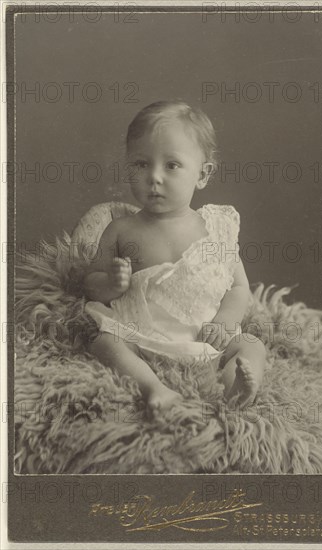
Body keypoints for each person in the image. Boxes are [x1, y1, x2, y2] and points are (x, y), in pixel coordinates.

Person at [83, 100, 266, 418]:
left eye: (172, 165)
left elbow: (238, 287)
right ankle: (154, 387)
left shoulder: (215, 229)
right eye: (141, 164)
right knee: (104, 342)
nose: (154, 177)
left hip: (204, 338)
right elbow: (91, 283)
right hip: (142, 337)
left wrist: (225, 321)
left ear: (203, 174)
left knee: (252, 344)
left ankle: (232, 388)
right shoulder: (121, 228)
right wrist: (111, 283)